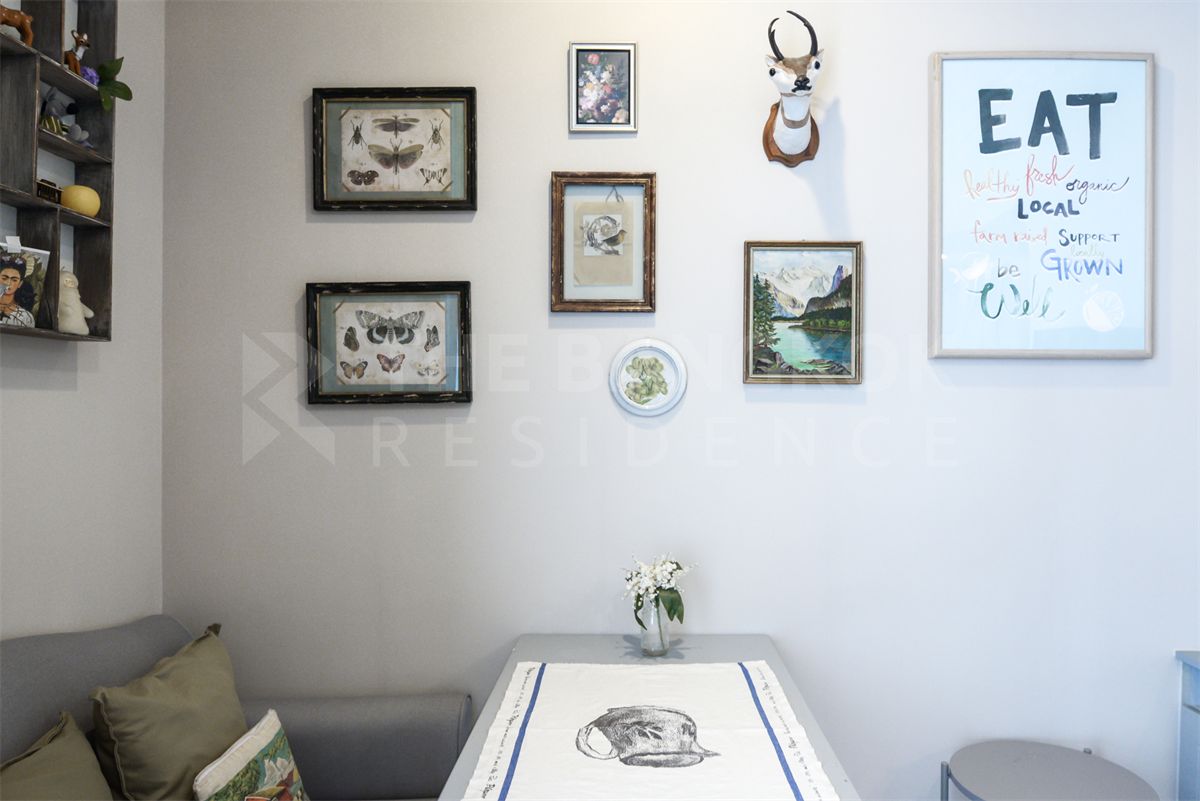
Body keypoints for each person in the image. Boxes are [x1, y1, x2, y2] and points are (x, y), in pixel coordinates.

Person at [0, 254, 37, 327]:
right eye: (4, 278)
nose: (8, 283)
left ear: (20, 283)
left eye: (14, 280)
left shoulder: (25, 317)